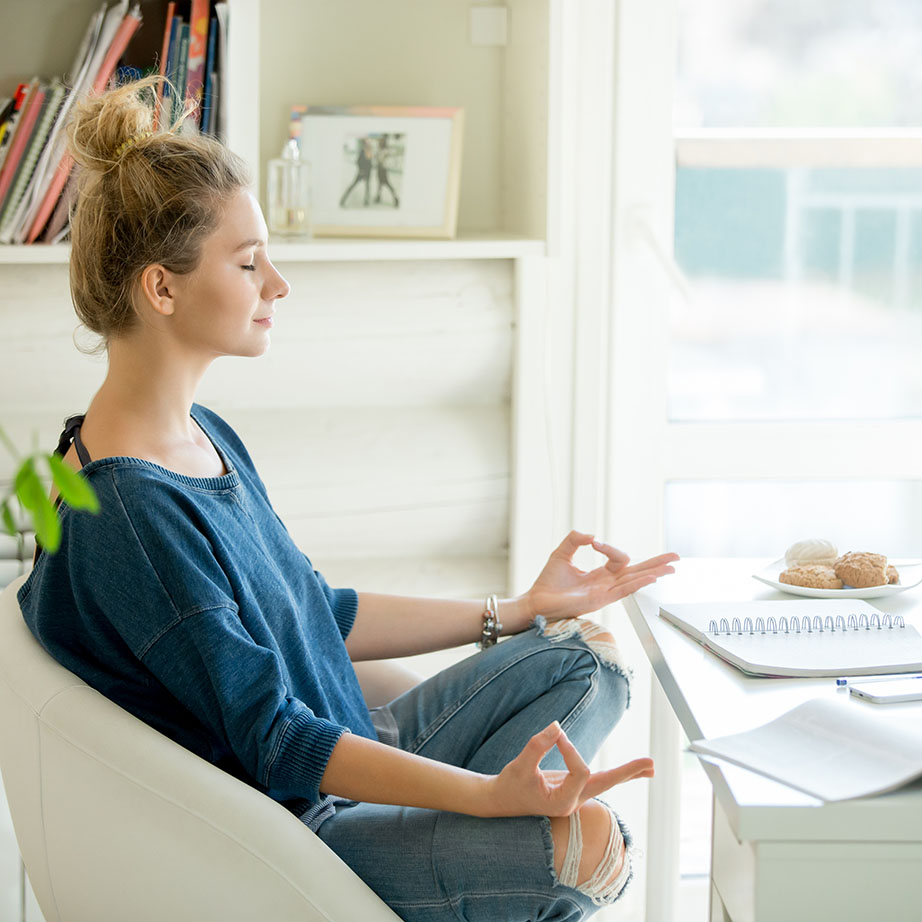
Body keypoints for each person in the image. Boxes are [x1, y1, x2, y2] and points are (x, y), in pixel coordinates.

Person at [17, 76, 679, 922]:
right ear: (161, 289)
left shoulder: (198, 433)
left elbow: (316, 611)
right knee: (591, 844)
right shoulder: (134, 516)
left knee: (588, 658)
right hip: (301, 831)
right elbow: (278, 739)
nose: (278, 286)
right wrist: (484, 798)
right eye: (250, 263)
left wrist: (517, 609)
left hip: (358, 746)